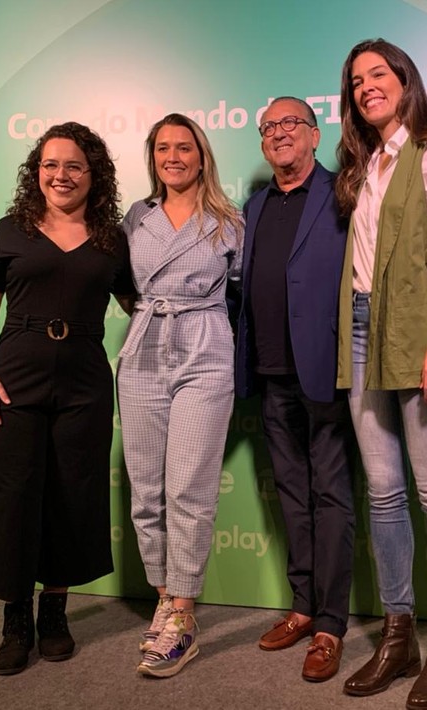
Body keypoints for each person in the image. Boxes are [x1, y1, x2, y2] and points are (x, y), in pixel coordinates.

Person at [334, 39, 427, 710]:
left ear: (404, 80)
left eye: (378, 74)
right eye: (356, 80)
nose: (368, 86)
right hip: (365, 329)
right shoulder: (367, 164)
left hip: (423, 330)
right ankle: (398, 636)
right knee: (384, 493)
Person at [0, 122, 133, 675]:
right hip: (13, 378)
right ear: (36, 172)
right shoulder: (10, 229)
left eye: (73, 166)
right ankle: (16, 621)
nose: (60, 175)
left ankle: (55, 613)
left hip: (84, 381)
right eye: (50, 165)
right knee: (12, 497)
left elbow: (143, 303)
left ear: (94, 175)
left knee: (71, 493)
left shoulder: (111, 238)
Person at [117, 113, 243, 679]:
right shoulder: (136, 218)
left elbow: (241, 293)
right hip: (144, 349)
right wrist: (152, 316)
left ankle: (185, 614)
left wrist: (205, 326)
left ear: (201, 155)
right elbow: (125, 287)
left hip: (206, 350)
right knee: (146, 487)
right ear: (153, 157)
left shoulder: (227, 220)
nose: (174, 156)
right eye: (163, 148)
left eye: (184, 147)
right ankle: (165, 599)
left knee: (188, 487)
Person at [234, 97, 355, 682]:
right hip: (271, 370)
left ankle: (331, 624)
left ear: (314, 135)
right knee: (291, 494)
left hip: (325, 372)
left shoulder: (342, 195)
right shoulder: (254, 206)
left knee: (331, 495)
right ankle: (303, 607)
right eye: (269, 128)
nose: (279, 134)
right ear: (263, 144)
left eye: (290, 125)